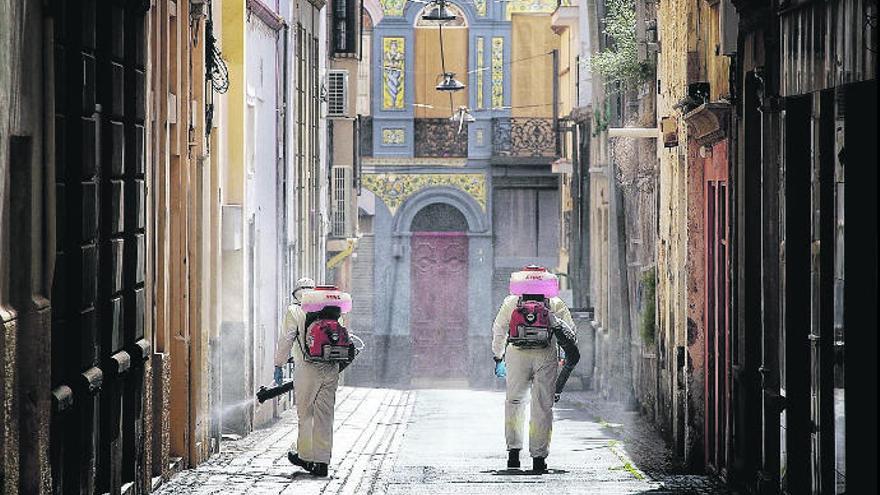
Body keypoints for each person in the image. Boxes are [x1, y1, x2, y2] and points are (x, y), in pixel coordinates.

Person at [492, 266, 576, 473]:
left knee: (514, 402)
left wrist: (498, 356)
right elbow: (571, 332)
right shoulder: (555, 303)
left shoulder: (511, 302)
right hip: (546, 354)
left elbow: (499, 329)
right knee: (542, 407)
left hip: (516, 353)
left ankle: (513, 454)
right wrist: (564, 355)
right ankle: (539, 458)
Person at [274, 277, 339, 478]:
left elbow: (287, 338)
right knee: (325, 416)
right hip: (330, 368)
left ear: (296, 293)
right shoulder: (332, 308)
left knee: (306, 414)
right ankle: (322, 462)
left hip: (307, 369)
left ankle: (306, 457)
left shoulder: (295, 310)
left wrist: (278, 364)